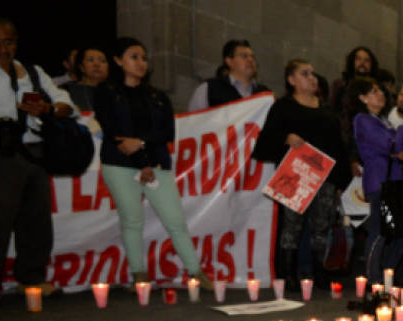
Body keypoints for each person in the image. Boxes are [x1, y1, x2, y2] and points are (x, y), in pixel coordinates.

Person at [94, 37, 210, 289]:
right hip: (120, 164)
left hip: (156, 165)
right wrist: (140, 159)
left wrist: (142, 146)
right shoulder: (106, 92)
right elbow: (115, 132)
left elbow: (166, 132)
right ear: (118, 60)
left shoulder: (157, 96)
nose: (141, 63)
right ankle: (139, 274)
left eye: (144, 58)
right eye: (134, 57)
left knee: (175, 220)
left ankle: (196, 272)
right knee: (132, 220)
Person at [0, 16, 72, 301]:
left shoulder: (31, 71)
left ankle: (31, 279)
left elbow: (66, 104)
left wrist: (48, 109)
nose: (1, 48)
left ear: (16, 43)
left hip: (33, 152)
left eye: (7, 42)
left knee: (36, 220)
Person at [251, 59, 352, 290]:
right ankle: (287, 275)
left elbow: (338, 146)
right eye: (305, 73)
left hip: (324, 178)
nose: (312, 78)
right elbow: (264, 143)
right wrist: (285, 138)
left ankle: (318, 273)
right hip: (295, 175)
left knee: (321, 227)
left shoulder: (326, 110)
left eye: (313, 73)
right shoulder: (283, 107)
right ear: (292, 80)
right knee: (291, 227)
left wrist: (340, 180)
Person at [349, 76, 403, 286]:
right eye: (373, 91)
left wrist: (399, 144)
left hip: (394, 180)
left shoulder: (383, 121)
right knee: (379, 232)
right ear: (362, 98)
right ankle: (375, 280)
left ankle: (386, 273)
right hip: (380, 181)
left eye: (380, 90)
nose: (380, 94)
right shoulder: (363, 119)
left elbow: (401, 150)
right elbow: (395, 147)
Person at [187, 40, 268, 111]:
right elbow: (193, 122)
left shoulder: (265, 94)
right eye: (244, 56)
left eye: (252, 57)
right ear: (229, 61)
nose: (250, 60)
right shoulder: (209, 89)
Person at [330, 46, 378, 119]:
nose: (362, 63)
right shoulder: (341, 86)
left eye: (367, 60)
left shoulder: (378, 90)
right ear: (352, 62)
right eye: (358, 59)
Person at [60, 47, 109, 112]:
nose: (97, 64)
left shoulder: (116, 92)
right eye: (91, 60)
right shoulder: (66, 90)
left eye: (102, 61)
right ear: (81, 67)